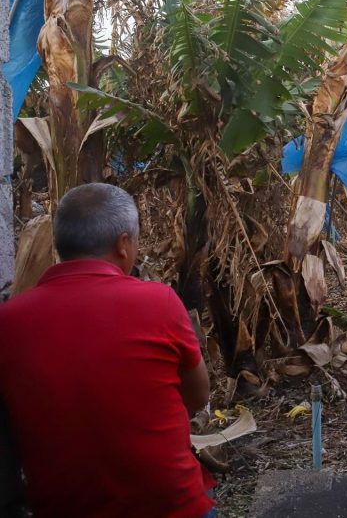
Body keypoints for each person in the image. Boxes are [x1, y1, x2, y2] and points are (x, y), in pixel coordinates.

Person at [0, 183, 214, 518]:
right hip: (170, 507)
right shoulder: (158, 302)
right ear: (123, 244)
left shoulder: (7, 320)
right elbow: (198, 396)